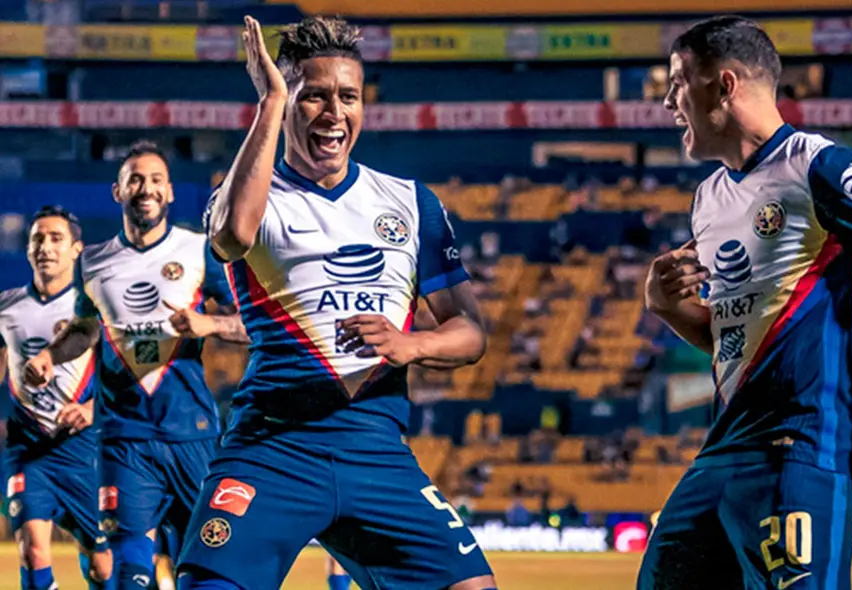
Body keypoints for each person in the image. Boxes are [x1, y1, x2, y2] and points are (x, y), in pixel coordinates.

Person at [176, 15, 495, 590]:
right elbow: (229, 238)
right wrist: (271, 98)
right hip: (274, 445)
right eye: (313, 96)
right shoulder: (252, 191)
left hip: (375, 450)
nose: (334, 113)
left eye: (348, 96)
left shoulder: (409, 202)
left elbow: (470, 331)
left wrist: (412, 343)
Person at [639, 17, 852, 589]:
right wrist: (668, 307)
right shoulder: (708, 198)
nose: (667, 101)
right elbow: (734, 340)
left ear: (723, 84)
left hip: (802, 447)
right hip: (723, 449)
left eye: (678, 81)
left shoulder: (818, 165)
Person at [23, 142, 248, 590]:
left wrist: (210, 323)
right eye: (135, 180)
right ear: (117, 191)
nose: (146, 188)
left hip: (193, 435)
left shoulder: (200, 250)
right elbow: (86, 329)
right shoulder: (93, 262)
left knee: (206, 570)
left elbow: (253, 324)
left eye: (156, 180)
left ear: (169, 194)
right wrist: (51, 354)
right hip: (125, 439)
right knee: (130, 572)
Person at [1, 206, 114, 590]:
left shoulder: (96, 311)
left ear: (77, 249)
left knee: (103, 566)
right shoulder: (7, 306)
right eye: (37, 239)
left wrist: (92, 408)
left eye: (55, 239)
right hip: (27, 448)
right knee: (32, 550)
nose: (45, 247)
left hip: (84, 451)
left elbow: (126, 378)